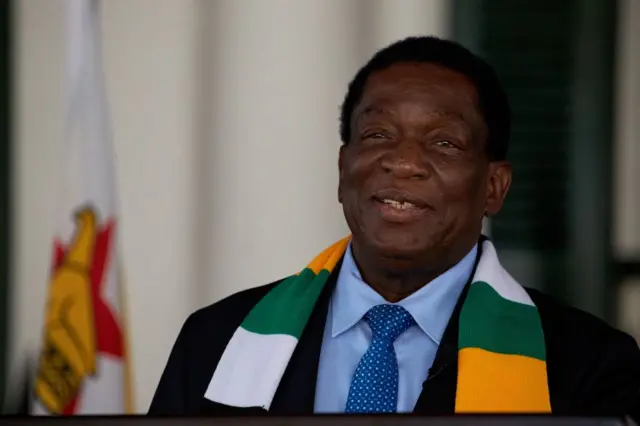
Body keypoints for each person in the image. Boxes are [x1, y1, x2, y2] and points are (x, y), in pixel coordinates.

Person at [148, 36, 640, 416]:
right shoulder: (216, 340)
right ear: (343, 170)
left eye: (444, 142)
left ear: (494, 187)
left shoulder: (587, 367)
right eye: (378, 134)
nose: (403, 164)